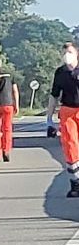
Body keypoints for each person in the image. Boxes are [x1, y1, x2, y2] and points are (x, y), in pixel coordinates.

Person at [46, 42, 79, 198]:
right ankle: (75, 183)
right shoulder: (60, 73)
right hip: (67, 111)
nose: (67, 55)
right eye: (65, 52)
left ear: (76, 53)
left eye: (70, 52)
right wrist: (49, 120)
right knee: (71, 147)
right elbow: (54, 96)